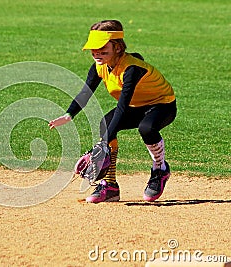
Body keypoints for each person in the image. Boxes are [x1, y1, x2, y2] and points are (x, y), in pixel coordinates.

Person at [48, 20, 177, 203]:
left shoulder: (131, 69)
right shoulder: (100, 65)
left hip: (162, 105)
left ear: (117, 47)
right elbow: (86, 91)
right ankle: (110, 187)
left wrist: (103, 143)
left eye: (102, 48)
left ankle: (160, 169)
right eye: (93, 48)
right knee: (106, 124)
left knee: (146, 128)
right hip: (136, 107)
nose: (96, 53)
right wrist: (69, 114)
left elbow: (122, 108)